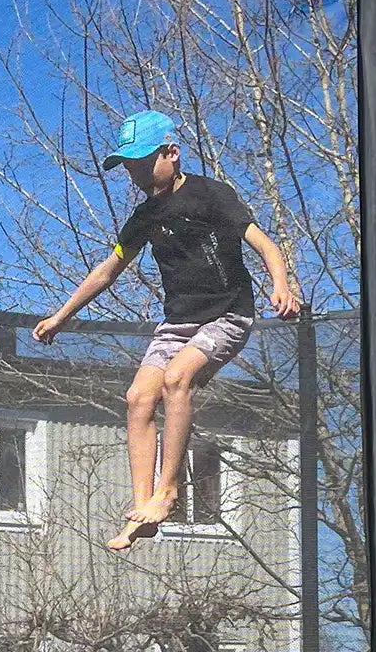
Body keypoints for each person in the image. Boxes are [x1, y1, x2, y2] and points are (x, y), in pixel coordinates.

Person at [34, 110, 302, 550]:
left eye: (142, 160)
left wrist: (281, 286)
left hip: (227, 315)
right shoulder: (144, 217)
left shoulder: (211, 195)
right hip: (178, 322)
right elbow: (108, 271)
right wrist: (61, 316)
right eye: (129, 165)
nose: (135, 172)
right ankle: (145, 509)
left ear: (171, 153)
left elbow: (264, 243)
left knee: (177, 380)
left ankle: (170, 490)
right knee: (138, 398)